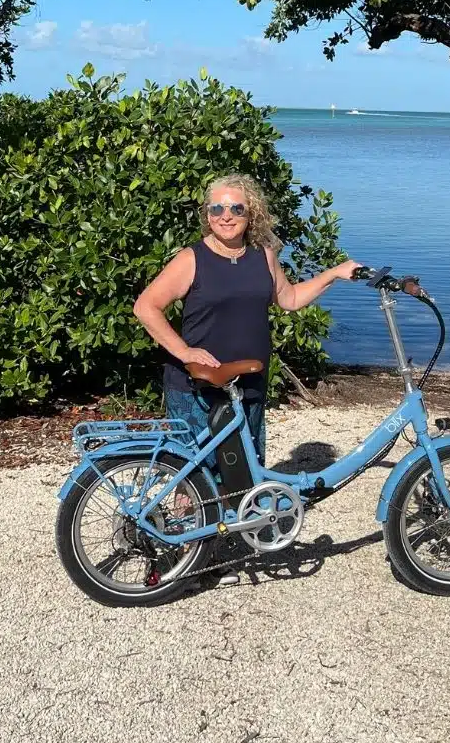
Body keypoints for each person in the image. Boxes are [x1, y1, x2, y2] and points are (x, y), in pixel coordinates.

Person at [132, 172, 360, 583]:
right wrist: (184, 351)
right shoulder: (192, 258)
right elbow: (146, 306)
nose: (225, 216)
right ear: (206, 214)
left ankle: (215, 548)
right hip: (196, 385)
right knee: (193, 473)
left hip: (248, 385)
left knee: (241, 470)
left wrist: (332, 274)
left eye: (235, 208)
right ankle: (180, 556)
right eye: (216, 208)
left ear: (249, 212)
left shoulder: (263, 255)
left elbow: (288, 300)